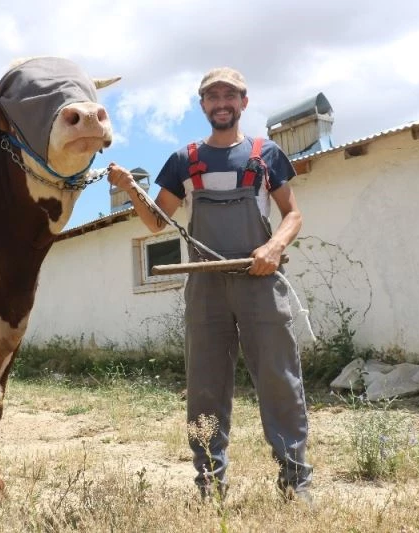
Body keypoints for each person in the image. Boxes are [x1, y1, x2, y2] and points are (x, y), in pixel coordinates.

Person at [107, 67, 312, 504]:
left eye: (230, 95)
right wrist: (129, 189)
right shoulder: (185, 160)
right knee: (204, 386)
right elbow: (157, 221)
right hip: (206, 289)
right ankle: (210, 484)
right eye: (212, 96)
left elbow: (292, 215)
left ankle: (296, 481)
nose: (221, 102)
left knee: (280, 380)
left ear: (243, 102)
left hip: (260, 282)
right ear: (202, 105)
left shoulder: (265, 154)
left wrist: (273, 247)